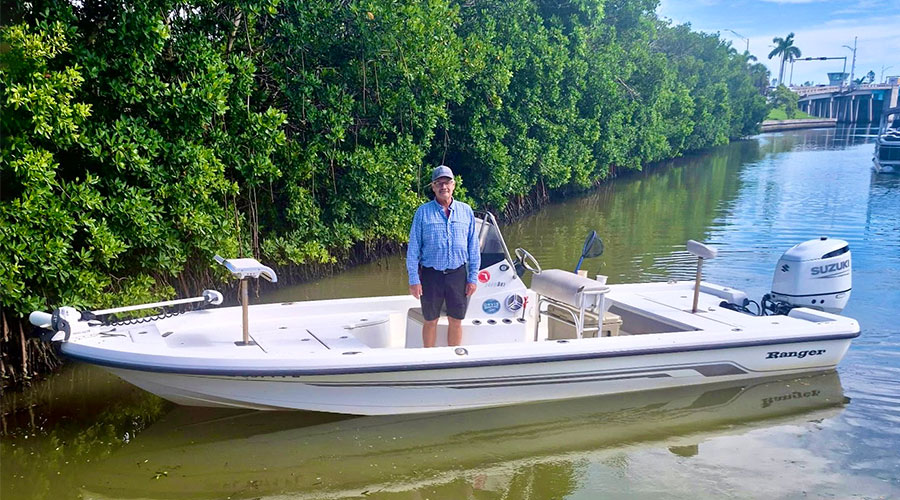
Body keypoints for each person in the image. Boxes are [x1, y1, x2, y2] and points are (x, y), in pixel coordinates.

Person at [407, 165, 480, 347]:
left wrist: (472, 278)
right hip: (431, 275)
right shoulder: (422, 212)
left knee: (456, 320)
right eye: (439, 183)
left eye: (447, 182)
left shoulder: (466, 211)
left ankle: (453, 359)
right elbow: (413, 248)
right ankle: (429, 358)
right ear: (433, 187)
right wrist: (414, 279)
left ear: (453, 185)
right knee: (430, 320)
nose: (443, 187)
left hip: (458, 274)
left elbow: (473, 248)